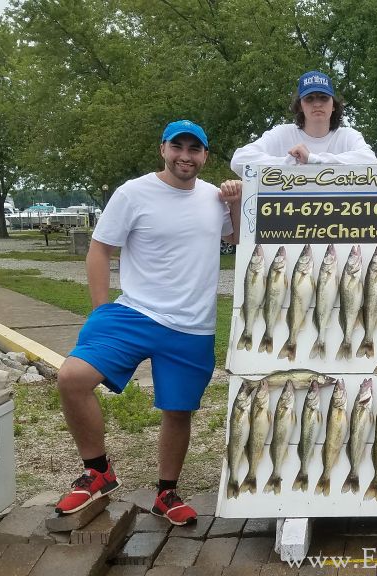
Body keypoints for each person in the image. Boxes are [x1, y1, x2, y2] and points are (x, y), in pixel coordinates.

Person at [55, 120, 241, 526]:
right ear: (163, 149)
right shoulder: (133, 192)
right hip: (135, 313)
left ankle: (166, 493)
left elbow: (239, 240)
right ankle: (98, 471)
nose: (185, 156)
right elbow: (100, 249)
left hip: (193, 325)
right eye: (178, 147)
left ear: (205, 156)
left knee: (178, 411)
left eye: (195, 149)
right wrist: (101, 308)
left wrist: (235, 204)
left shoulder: (213, 197)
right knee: (72, 377)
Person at [229, 70, 376, 174]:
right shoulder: (282, 133)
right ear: (300, 105)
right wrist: (291, 163)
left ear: (334, 106)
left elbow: (370, 162)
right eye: (310, 98)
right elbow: (239, 161)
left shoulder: (348, 135)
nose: (317, 104)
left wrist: (313, 160)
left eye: (323, 98)